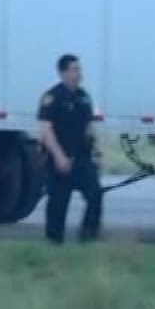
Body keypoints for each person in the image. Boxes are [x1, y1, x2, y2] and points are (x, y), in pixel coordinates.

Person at [37, 53, 103, 244]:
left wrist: (97, 152)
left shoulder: (84, 97)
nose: (79, 73)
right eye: (74, 69)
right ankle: (54, 241)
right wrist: (58, 156)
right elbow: (46, 130)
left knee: (95, 195)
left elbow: (89, 127)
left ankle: (88, 237)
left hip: (82, 157)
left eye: (79, 69)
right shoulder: (52, 97)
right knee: (59, 201)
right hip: (60, 157)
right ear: (63, 72)